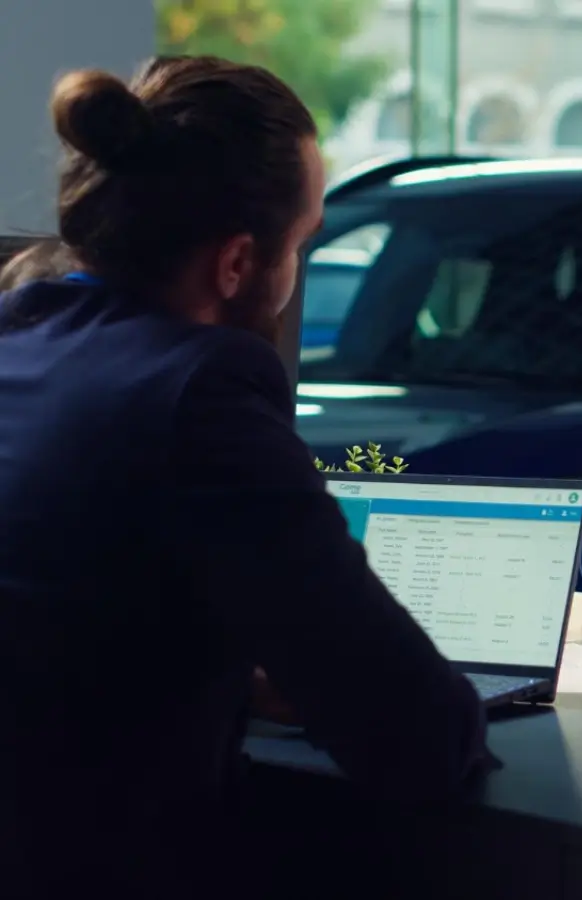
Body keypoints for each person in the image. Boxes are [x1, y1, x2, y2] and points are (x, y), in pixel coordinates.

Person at [0, 59, 490, 894]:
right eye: (302, 242)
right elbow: (413, 730)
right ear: (236, 264)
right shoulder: (199, 391)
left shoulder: (16, 336)